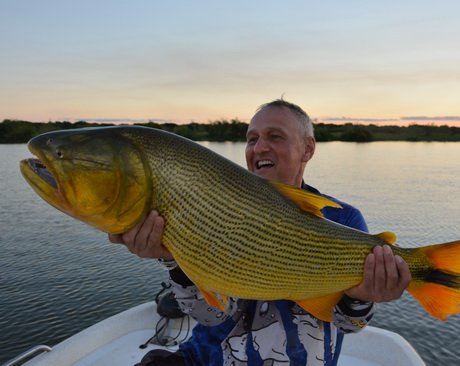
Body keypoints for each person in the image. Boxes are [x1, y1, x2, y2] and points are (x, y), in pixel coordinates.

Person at [109, 100, 411, 365]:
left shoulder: (342, 218)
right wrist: (173, 260)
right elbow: (210, 316)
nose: (259, 147)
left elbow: (348, 324)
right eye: (251, 139)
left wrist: (361, 298)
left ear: (308, 148)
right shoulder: (213, 209)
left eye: (274, 137)